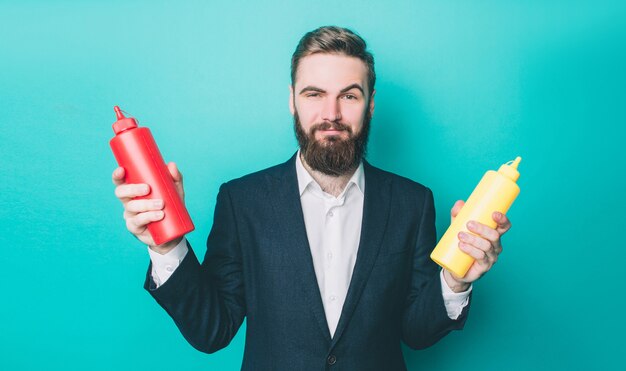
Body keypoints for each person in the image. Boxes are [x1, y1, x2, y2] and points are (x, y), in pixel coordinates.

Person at [112, 26, 511, 370]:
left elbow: (417, 332)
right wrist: (168, 247)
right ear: (292, 100)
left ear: (370, 105)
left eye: (349, 96)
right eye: (314, 93)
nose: (331, 113)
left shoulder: (412, 202)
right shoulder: (242, 201)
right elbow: (212, 330)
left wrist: (455, 280)